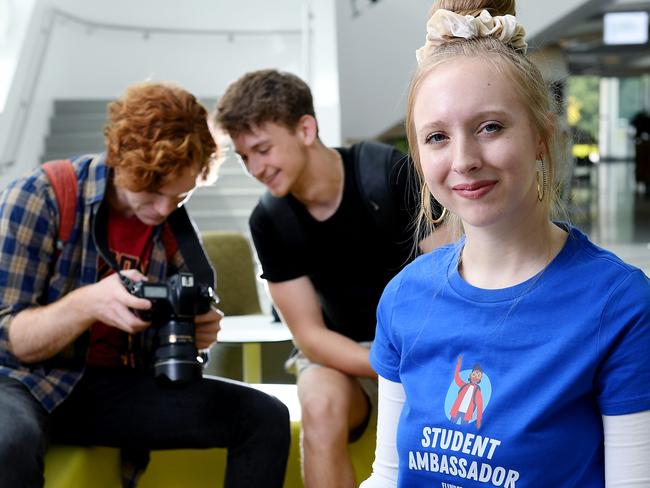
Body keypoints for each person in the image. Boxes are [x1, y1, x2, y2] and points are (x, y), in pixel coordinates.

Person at [361, 1, 650, 486]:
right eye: (436, 137)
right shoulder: (404, 297)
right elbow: (388, 476)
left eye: (490, 127)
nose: (464, 159)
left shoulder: (620, 306)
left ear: (541, 135)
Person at [0, 82, 290, 488]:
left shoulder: (173, 229)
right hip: (25, 382)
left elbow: (174, 344)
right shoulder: (40, 198)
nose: (163, 210)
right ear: (119, 158)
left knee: (264, 417)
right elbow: (14, 341)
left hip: (114, 390)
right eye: (153, 192)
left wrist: (196, 331)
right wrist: (89, 303)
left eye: (181, 196)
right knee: (7, 441)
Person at [215, 69, 447, 487]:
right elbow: (309, 336)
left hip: (422, 346)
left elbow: (452, 284)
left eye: (263, 149)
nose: (255, 168)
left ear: (306, 128)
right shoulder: (270, 220)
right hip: (341, 357)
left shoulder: (386, 172)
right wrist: (383, 366)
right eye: (245, 157)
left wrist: (421, 361)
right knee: (317, 403)